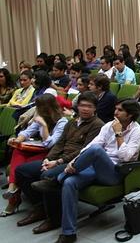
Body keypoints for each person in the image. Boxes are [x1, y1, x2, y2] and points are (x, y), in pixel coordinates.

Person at [13, 92, 104, 234]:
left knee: (47, 176)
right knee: (21, 170)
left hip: (76, 162)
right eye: (82, 105)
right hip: (58, 158)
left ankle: (54, 218)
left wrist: (57, 162)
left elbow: (84, 150)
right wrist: (48, 159)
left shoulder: (98, 125)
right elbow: (60, 143)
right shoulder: (72, 122)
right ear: (77, 107)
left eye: (89, 106)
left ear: (95, 109)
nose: (85, 109)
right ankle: (40, 207)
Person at [55, 99, 140, 243]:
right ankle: (68, 233)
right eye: (115, 108)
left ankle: (60, 175)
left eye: (120, 110)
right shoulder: (108, 125)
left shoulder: (137, 132)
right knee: (70, 182)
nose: (115, 112)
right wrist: (74, 160)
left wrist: (119, 134)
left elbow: (126, 157)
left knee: (96, 151)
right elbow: (91, 145)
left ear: (129, 115)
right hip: (95, 167)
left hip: (115, 172)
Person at [2, 94, 68, 217]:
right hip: (37, 149)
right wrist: (18, 139)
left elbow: (50, 144)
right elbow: (27, 132)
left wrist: (43, 125)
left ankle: (13, 200)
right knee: (18, 150)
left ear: (49, 108)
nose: (38, 111)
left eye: (40, 108)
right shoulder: (41, 117)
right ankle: (12, 188)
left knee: (20, 168)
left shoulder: (62, 122)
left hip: (51, 153)